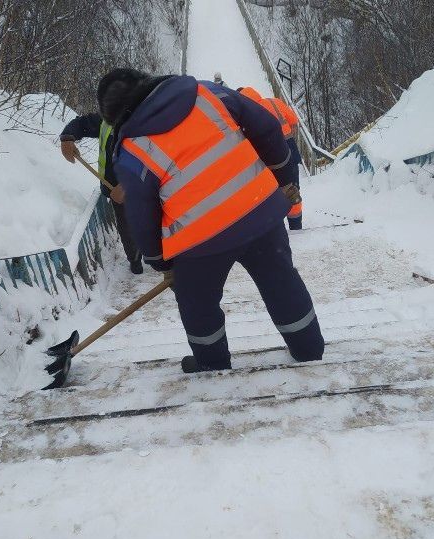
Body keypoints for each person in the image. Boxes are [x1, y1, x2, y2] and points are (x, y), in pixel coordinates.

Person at [97, 68, 324, 373]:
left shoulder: (132, 150)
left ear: (114, 119)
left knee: (198, 305)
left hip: (198, 243)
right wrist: (282, 178)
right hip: (259, 213)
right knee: (281, 281)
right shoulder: (207, 93)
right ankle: (309, 350)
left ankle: (213, 365)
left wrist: (160, 261)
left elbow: (141, 213)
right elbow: (268, 127)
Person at [60, 113, 143, 274]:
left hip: (145, 187)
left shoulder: (148, 120)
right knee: (127, 226)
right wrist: (67, 137)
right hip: (115, 191)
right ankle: (134, 259)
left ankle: (161, 257)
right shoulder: (107, 121)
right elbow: (83, 123)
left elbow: (157, 154)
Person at [238, 87, 303, 229]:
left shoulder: (246, 112)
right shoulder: (275, 102)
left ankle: (276, 228)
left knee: (270, 194)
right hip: (289, 147)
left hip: (268, 155)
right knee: (292, 190)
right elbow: (293, 120)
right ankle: (296, 226)